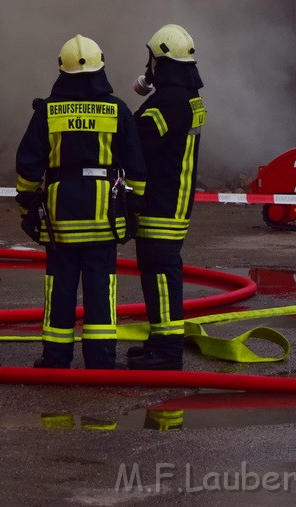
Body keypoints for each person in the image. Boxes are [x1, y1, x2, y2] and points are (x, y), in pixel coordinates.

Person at [15, 34, 147, 369]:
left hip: (60, 217)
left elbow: (29, 162)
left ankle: (56, 358)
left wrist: (28, 203)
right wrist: (135, 203)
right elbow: (135, 163)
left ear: (62, 68)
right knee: (101, 289)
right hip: (102, 215)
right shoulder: (116, 108)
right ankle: (101, 360)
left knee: (59, 288)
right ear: (101, 65)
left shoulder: (48, 109)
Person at [126, 24, 206, 370]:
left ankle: (167, 351)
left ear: (162, 62)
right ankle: (160, 339)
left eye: (152, 61)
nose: (149, 68)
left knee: (159, 272)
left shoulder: (166, 104)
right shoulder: (187, 98)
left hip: (161, 203)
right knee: (161, 270)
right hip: (175, 200)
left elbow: (136, 144)